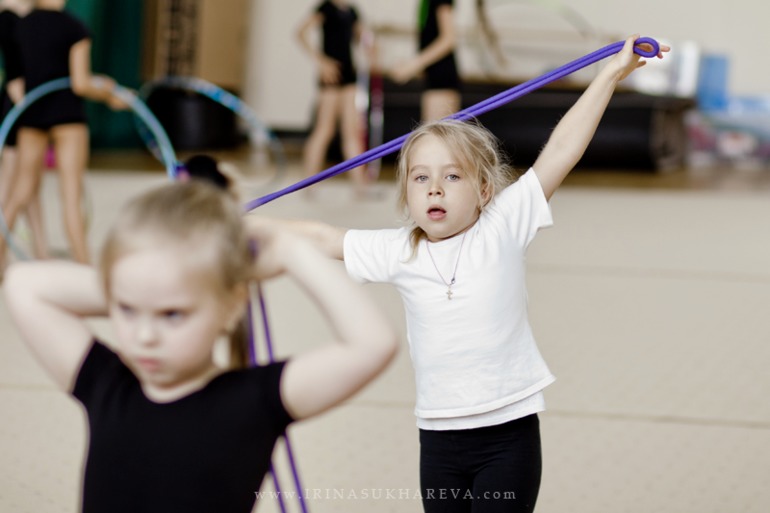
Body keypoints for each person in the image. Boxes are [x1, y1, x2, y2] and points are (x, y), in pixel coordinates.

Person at [267, 36, 669, 512]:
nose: (434, 188)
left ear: (483, 190)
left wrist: (611, 74)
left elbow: (562, 148)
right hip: (438, 440)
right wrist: (231, 223)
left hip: (508, 438)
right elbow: (321, 238)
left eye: (452, 176)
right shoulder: (399, 250)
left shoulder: (503, 225)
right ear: (407, 192)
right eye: (420, 177)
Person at [2, 172, 399, 512]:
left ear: (231, 306)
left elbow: (372, 344)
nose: (144, 337)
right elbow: (23, 285)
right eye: (126, 310)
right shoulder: (108, 385)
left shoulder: (253, 401)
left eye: (172, 314)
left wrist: (290, 250)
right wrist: (151, 285)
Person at [0, 0, 127, 271]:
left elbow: (17, 77)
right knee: (71, 195)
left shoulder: (21, 27)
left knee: (20, 191)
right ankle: (83, 265)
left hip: (32, 115)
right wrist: (110, 94)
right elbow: (81, 83)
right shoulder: (74, 27)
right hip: (68, 117)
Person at [296, 0, 371, 197]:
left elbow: (362, 36)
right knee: (325, 129)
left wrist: (370, 45)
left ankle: (360, 186)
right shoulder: (325, 8)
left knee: (352, 132)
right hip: (331, 76)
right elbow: (300, 33)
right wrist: (321, 61)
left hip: (349, 76)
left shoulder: (352, 11)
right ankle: (308, 183)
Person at [0, 0, 48, 259]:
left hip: (31, 105)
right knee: (11, 183)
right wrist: (29, 111)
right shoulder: (9, 16)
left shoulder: (34, 14)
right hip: (20, 106)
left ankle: (41, 250)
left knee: (32, 184)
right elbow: (15, 76)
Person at [391, 0, 460, 122]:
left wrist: (413, 65)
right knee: (431, 129)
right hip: (432, 80)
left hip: (442, 80)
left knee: (437, 131)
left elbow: (448, 39)